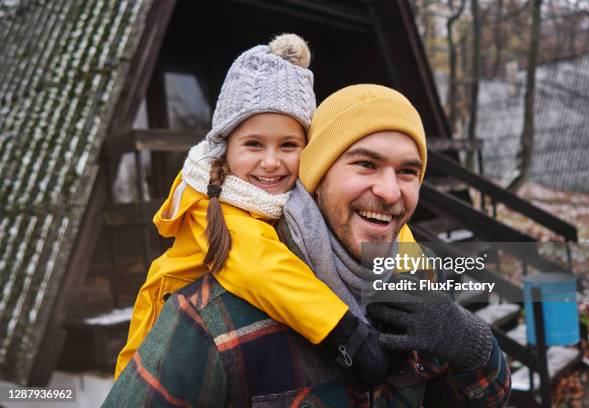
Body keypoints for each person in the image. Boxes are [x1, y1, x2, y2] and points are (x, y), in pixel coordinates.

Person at [104, 84, 511, 407]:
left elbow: (480, 400)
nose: (390, 192)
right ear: (317, 174)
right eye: (365, 164)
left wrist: (472, 346)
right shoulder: (211, 321)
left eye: (408, 171)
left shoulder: (414, 287)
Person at [114, 34, 402, 389]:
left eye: (288, 145)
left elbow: (380, 224)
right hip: (169, 362)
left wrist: (413, 283)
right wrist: (342, 329)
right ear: (224, 149)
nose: (270, 161)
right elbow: (258, 262)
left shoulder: (297, 199)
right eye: (253, 144)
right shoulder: (209, 200)